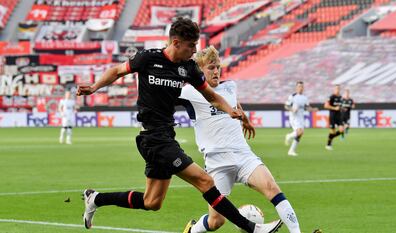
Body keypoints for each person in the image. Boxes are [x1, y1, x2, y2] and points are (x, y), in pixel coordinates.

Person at [77, 18, 280, 233]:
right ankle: (253, 229)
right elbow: (117, 71)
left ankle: (95, 198)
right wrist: (94, 87)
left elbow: (211, 96)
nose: (194, 50)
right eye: (191, 45)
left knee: (152, 202)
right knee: (205, 180)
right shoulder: (147, 58)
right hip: (153, 138)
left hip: (165, 136)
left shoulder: (188, 68)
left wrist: (231, 111)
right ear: (176, 43)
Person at [179, 46, 299, 233]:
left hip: (243, 155)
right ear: (199, 70)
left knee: (272, 187)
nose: (216, 71)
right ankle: (191, 231)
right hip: (216, 161)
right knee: (216, 221)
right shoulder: (189, 92)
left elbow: (234, 102)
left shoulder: (230, 86)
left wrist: (245, 119)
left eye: (218, 66)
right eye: (211, 67)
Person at [284, 81, 318, 156]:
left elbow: (307, 107)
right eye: (299, 86)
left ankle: (291, 151)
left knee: (300, 134)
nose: (301, 88)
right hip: (294, 117)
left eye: (302, 87)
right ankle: (288, 136)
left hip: (301, 117)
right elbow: (286, 106)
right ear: (296, 87)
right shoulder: (292, 96)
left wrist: (313, 109)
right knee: (299, 131)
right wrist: (292, 109)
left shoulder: (304, 98)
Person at [324, 85, 343, 150]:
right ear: (334, 89)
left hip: (339, 116)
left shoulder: (340, 97)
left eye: (338, 88)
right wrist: (334, 108)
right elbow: (326, 105)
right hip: (332, 116)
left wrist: (342, 108)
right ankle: (328, 144)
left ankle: (330, 138)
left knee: (341, 130)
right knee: (333, 132)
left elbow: (340, 106)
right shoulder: (331, 97)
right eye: (336, 88)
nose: (337, 90)